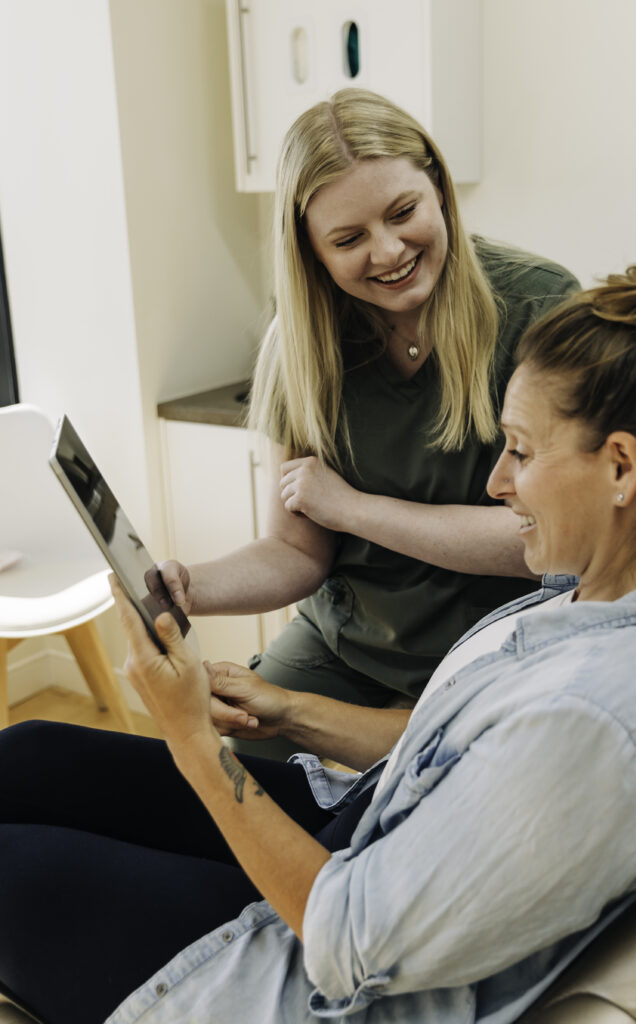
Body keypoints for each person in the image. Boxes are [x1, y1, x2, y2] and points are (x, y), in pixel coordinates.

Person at [0, 248, 636, 1024]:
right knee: (28, 757)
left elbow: (346, 944)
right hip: (361, 837)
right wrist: (287, 710)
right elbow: (451, 756)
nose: (495, 483)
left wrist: (191, 736)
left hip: (307, 971)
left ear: (622, 468)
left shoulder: (594, 721)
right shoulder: (586, 595)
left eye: (519, 452)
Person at [156, 88, 579, 757]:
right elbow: (296, 552)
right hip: (344, 639)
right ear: (311, 252)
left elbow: (554, 540)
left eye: (402, 212)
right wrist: (186, 589)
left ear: (437, 187)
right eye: (348, 239)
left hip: (497, 645)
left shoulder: (539, 307)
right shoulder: (299, 344)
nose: (386, 253)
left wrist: (353, 510)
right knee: (240, 776)